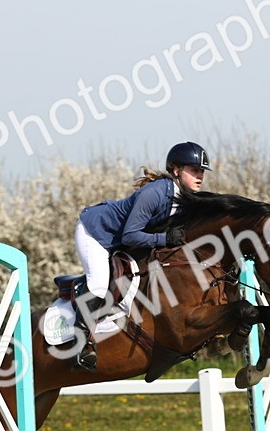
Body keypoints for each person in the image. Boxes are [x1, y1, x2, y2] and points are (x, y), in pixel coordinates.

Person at [70, 141, 213, 371]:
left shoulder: (185, 198)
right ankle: (80, 345)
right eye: (194, 170)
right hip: (96, 233)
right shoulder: (154, 194)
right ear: (176, 170)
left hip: (119, 239)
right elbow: (130, 236)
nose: (200, 176)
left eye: (202, 171)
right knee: (98, 285)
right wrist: (165, 239)